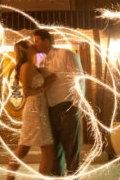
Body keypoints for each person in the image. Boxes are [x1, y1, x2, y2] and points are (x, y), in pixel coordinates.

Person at [33, 29, 85, 176]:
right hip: (49, 111)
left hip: (67, 106)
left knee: (71, 152)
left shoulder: (66, 54)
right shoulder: (41, 61)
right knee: (54, 153)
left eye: (36, 41)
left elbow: (78, 78)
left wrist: (76, 106)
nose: (34, 44)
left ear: (46, 41)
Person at [6, 40, 56, 180]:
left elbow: (42, 56)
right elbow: (27, 92)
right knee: (47, 151)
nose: (33, 45)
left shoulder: (32, 64)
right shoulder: (26, 66)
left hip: (39, 108)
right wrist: (47, 85)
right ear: (24, 49)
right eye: (30, 44)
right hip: (35, 109)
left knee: (24, 148)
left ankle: (10, 178)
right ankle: (10, 178)